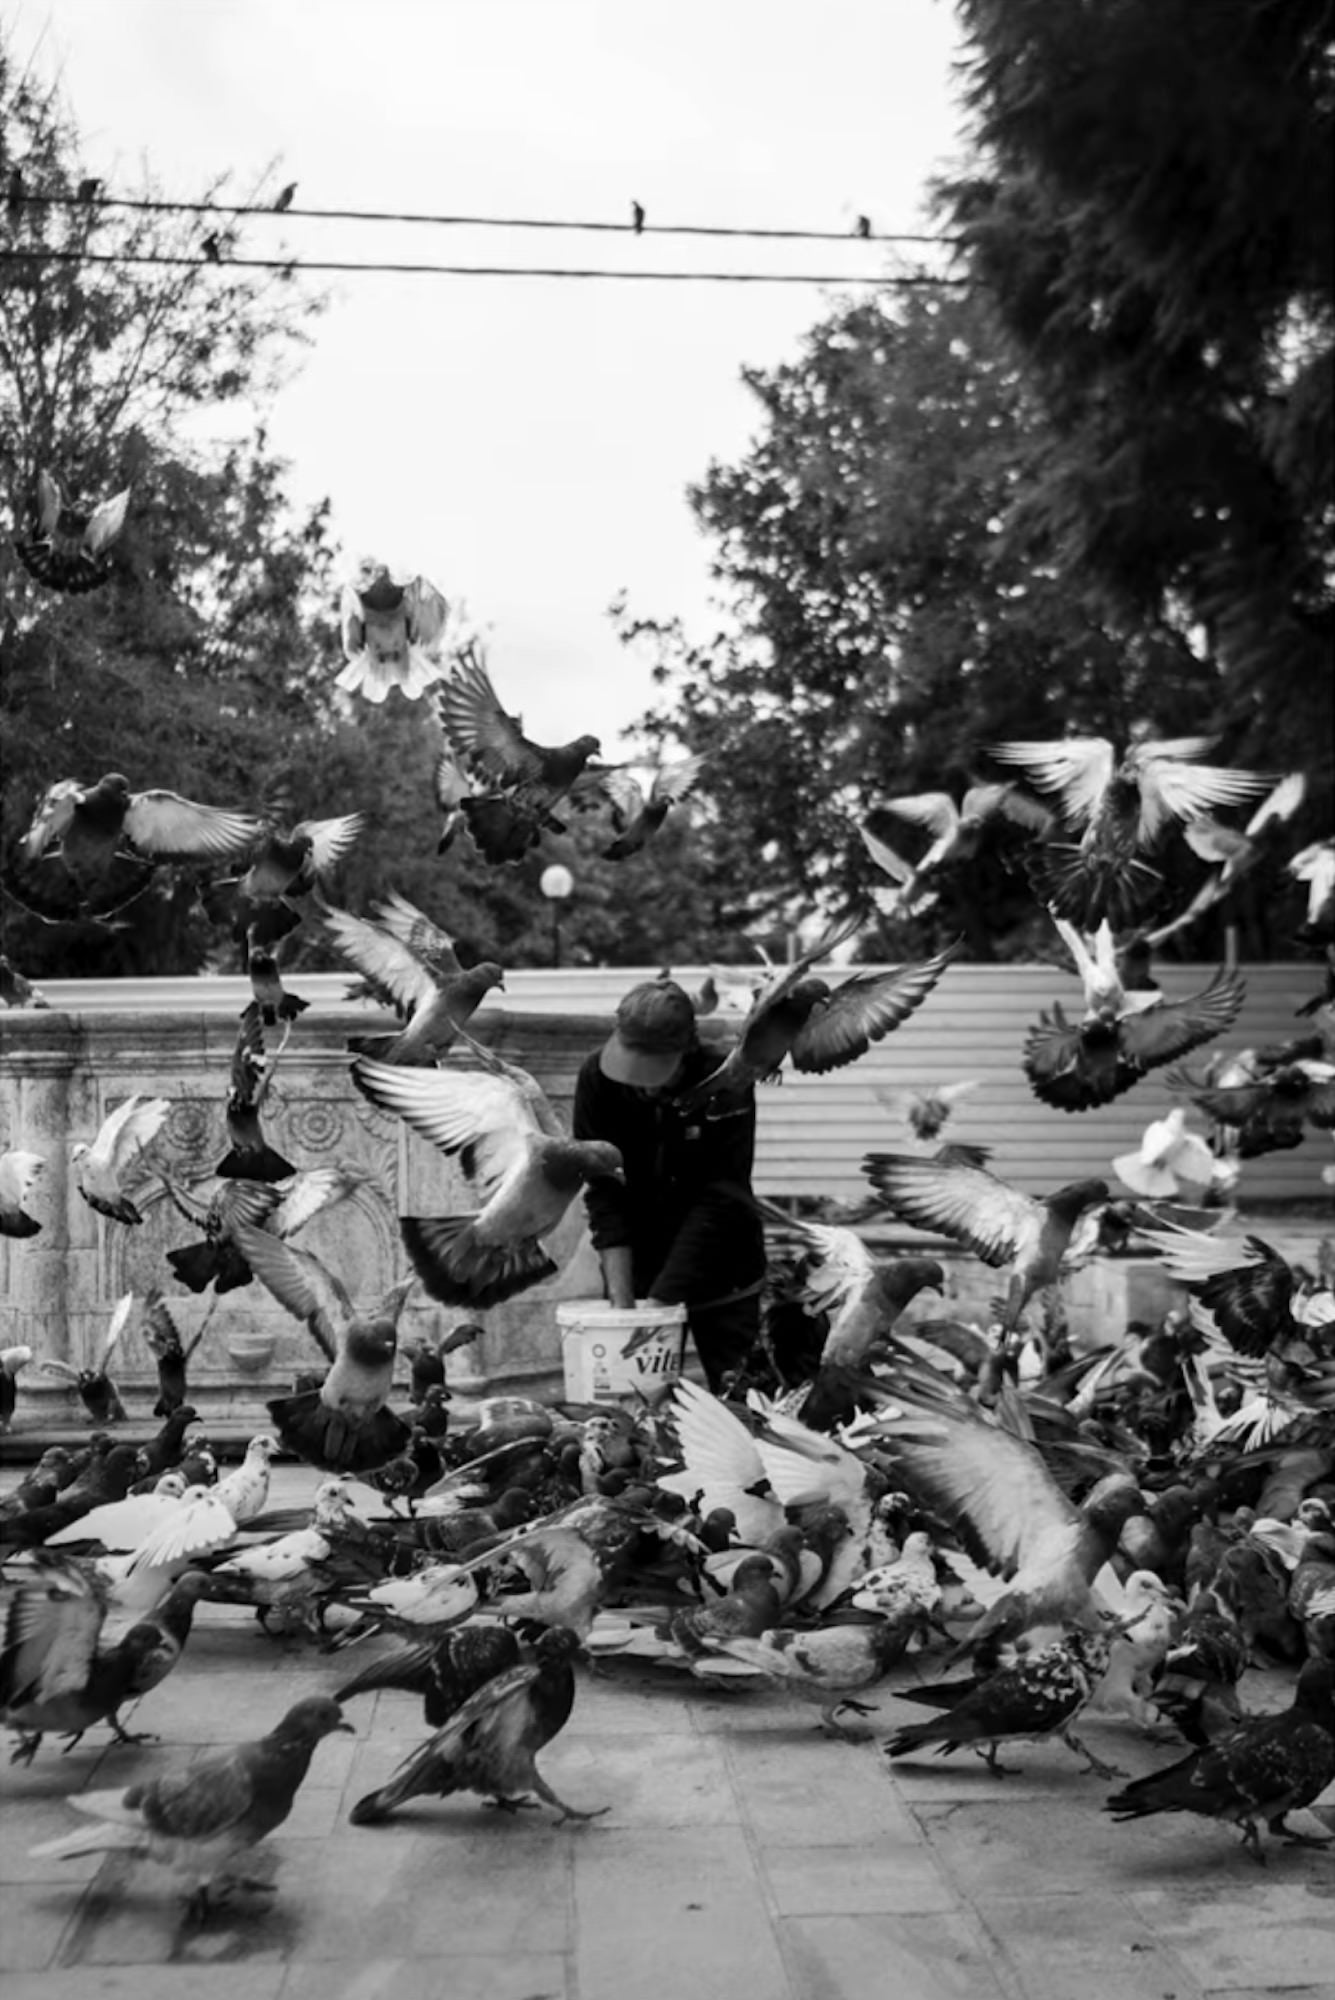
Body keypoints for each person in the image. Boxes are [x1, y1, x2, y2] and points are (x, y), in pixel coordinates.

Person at [572, 978, 766, 1393]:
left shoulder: (726, 1080)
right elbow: (605, 1190)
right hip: (641, 1267)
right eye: (632, 1069)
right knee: (640, 1405)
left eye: (653, 1071)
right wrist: (627, 1313)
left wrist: (661, 1305)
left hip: (724, 1266)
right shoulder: (597, 1079)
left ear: (685, 1049)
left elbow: (721, 1197)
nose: (641, 1084)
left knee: (745, 1402)